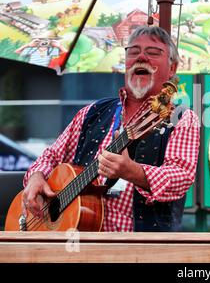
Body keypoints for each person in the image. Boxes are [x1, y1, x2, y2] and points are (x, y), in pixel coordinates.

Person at [21, 26, 200, 232]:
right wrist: (36, 177)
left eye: (153, 52)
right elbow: (50, 157)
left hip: (144, 253)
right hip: (76, 250)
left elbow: (180, 177)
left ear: (172, 68)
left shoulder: (182, 118)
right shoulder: (91, 112)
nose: (141, 57)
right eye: (133, 51)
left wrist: (132, 171)